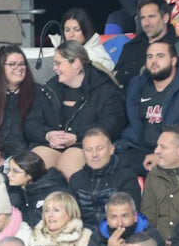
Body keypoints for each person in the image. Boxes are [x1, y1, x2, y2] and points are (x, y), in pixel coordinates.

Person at [25, 42, 126, 180]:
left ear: (76, 64)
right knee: (31, 166)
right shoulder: (49, 89)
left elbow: (112, 124)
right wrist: (48, 135)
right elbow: (31, 123)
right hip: (50, 145)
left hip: (83, 145)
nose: (54, 68)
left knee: (69, 164)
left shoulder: (105, 89)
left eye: (58, 63)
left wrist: (77, 137)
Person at [118, 40, 179, 169]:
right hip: (138, 150)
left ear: (173, 61)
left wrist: (175, 144)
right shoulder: (136, 86)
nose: (154, 61)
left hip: (177, 155)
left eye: (160, 56)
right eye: (150, 57)